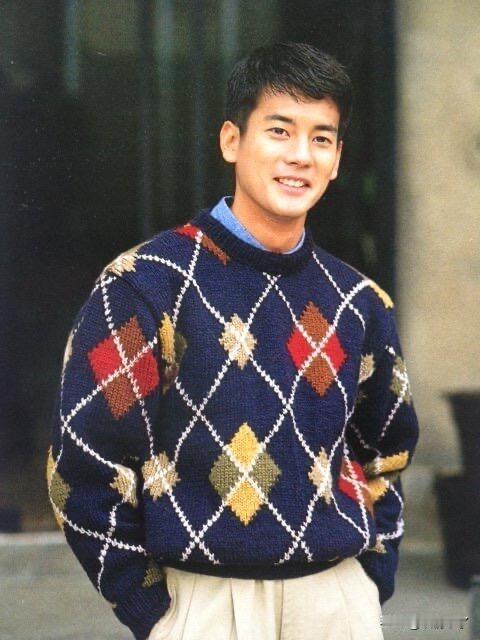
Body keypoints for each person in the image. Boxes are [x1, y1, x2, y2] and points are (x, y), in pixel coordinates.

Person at [46, 42, 419, 640]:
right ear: (231, 141)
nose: (300, 155)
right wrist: (150, 609)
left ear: (337, 160)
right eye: (279, 130)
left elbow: (387, 453)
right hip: (203, 604)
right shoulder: (144, 285)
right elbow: (84, 463)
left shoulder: (359, 302)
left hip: (336, 603)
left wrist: (369, 582)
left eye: (321, 138)